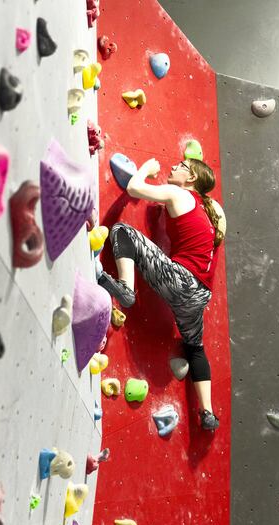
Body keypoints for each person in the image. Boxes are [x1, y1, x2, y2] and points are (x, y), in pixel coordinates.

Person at [99, 157, 226, 431]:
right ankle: (207, 413)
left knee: (122, 232)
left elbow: (134, 188)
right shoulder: (208, 212)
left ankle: (126, 288)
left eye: (181, 166)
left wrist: (147, 168)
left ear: (190, 178)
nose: (173, 167)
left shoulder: (178, 193)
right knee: (195, 346)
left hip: (179, 280)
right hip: (199, 294)